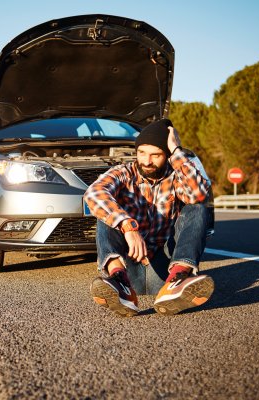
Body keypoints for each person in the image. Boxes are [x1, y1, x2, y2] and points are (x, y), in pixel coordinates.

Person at [83, 119, 214, 317]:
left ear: (167, 155)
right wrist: (129, 227)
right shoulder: (124, 172)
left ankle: (177, 281)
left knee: (198, 207)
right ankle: (120, 285)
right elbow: (93, 193)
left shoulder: (176, 177)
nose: (147, 161)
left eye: (156, 155)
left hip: (165, 266)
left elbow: (199, 194)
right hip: (130, 264)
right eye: (142, 153)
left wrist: (177, 150)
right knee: (107, 213)